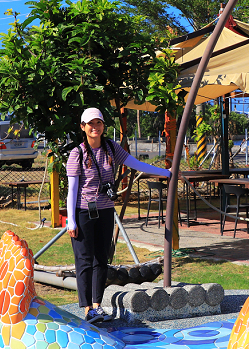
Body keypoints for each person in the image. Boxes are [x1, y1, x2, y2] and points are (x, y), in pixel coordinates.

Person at [66, 107, 171, 323]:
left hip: (104, 211)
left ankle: (97, 305)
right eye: (90, 124)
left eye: (99, 123)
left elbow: (136, 164)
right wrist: (72, 220)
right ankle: (86, 309)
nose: (95, 127)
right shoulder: (78, 153)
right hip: (84, 211)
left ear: (103, 126)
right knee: (84, 260)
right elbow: (72, 190)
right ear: (83, 127)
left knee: (102, 259)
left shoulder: (111, 147)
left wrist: (167, 172)